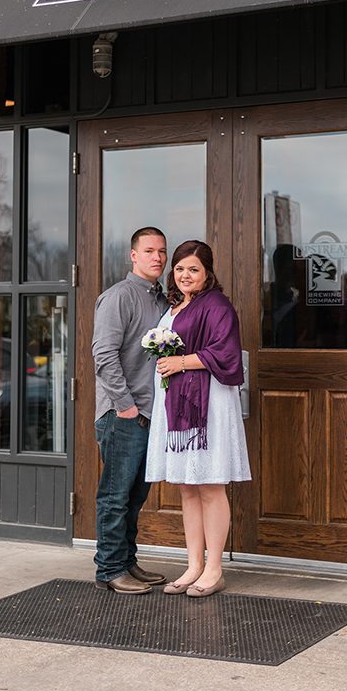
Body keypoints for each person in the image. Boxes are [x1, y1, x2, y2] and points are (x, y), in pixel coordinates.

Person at [146, 239, 251, 597]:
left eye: (193, 269)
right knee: (187, 487)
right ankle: (193, 565)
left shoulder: (217, 305)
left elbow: (226, 351)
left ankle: (215, 569)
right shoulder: (175, 306)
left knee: (210, 485)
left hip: (209, 405)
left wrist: (181, 362)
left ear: (207, 273)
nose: (185, 275)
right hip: (177, 403)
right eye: (179, 269)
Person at [91, 226, 171, 594]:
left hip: (151, 415)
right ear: (133, 255)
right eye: (150, 250)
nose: (157, 257)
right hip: (122, 415)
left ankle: (127, 561)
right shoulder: (118, 297)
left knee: (136, 496)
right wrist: (125, 408)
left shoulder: (162, 302)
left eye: (162, 252)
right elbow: (104, 356)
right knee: (115, 494)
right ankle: (109, 569)